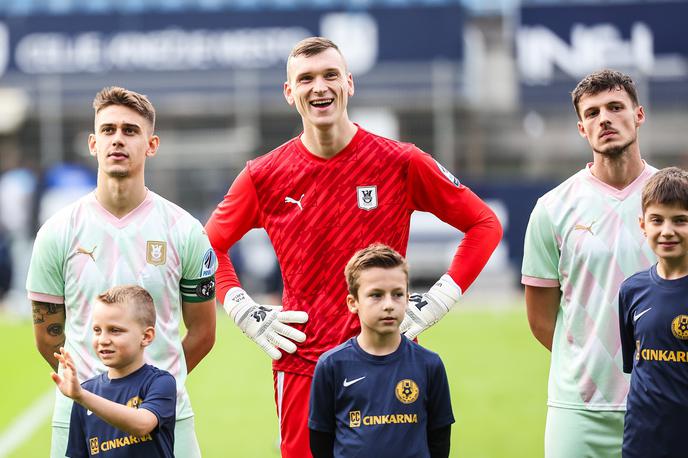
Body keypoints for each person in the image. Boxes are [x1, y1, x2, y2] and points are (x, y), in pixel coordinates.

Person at [205, 36, 501, 457]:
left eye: (330, 75)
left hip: (388, 359)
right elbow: (205, 248)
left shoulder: (399, 161)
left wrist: (438, 300)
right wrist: (241, 309)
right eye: (305, 79)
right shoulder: (264, 175)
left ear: (349, 83)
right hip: (303, 363)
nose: (319, 87)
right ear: (290, 93)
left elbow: (483, 223)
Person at [27, 86, 217, 458]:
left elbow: (204, 332)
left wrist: (152, 389)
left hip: (164, 418)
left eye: (130, 131)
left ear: (152, 144)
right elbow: (48, 337)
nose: (118, 139)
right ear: (93, 143)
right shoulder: (57, 232)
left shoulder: (184, 229)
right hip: (79, 416)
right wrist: (98, 392)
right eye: (109, 130)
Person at [521, 69, 657, 458]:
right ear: (582, 128)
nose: (605, 119)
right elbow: (540, 319)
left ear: (639, 114)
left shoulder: (675, 200)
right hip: (579, 410)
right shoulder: (552, 208)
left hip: (666, 399)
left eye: (616, 107)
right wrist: (589, 362)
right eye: (593, 113)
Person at [309, 244, 454, 458]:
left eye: (397, 294)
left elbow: (439, 440)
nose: (388, 305)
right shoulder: (332, 365)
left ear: (408, 298)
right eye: (376, 295)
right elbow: (321, 440)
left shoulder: (429, 364)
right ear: (353, 302)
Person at [52, 285, 176, 458]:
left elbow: (143, 424)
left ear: (146, 336)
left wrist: (81, 396)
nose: (103, 340)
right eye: (97, 330)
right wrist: (81, 396)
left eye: (115, 330)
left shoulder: (160, 382)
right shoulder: (87, 392)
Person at [619, 167, 688, 458]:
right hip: (642, 443)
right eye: (657, 220)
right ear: (643, 225)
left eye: (681, 220)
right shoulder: (631, 291)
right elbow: (637, 367)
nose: (667, 230)